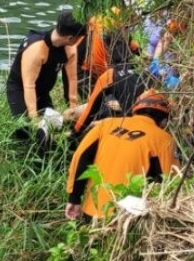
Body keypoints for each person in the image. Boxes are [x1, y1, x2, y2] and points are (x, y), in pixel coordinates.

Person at [65, 89, 180, 221]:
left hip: (92, 212)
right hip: (128, 220)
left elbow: (81, 157)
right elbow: (172, 183)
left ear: (135, 110)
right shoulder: (164, 140)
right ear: (164, 120)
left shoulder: (107, 125)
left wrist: (74, 198)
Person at [6, 10, 86, 147]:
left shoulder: (70, 49)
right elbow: (28, 85)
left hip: (42, 92)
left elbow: (71, 79)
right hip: (19, 88)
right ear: (71, 38)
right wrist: (33, 118)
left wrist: (72, 106)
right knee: (26, 130)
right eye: (81, 38)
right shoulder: (36, 49)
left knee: (54, 125)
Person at [67, 36, 148, 138]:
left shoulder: (109, 76)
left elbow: (90, 110)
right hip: (136, 121)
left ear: (109, 54)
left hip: (122, 123)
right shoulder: (144, 73)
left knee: (74, 115)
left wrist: (74, 134)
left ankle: (60, 129)